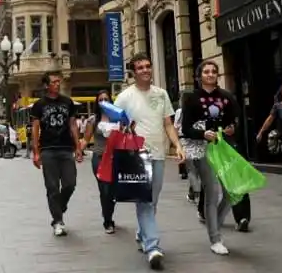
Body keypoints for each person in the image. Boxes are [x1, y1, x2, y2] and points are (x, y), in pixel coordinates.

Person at [114, 53, 184, 270]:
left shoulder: (161, 94)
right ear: (134, 72)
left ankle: (143, 231)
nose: (145, 70)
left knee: (152, 199)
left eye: (147, 66)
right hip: (136, 156)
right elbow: (113, 127)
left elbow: (168, 124)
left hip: (159, 154)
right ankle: (152, 247)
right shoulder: (124, 97)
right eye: (140, 67)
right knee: (143, 201)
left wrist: (178, 145)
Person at [181, 60, 243, 256]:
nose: (210, 74)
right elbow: (186, 128)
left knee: (232, 191)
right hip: (202, 149)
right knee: (212, 192)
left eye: (213, 71)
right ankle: (215, 238)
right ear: (200, 76)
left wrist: (232, 128)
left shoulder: (226, 97)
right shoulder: (191, 98)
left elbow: (234, 121)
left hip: (224, 147)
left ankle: (213, 221)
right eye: (206, 72)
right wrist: (202, 134)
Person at [30, 72, 83, 237]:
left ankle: (59, 206)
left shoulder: (67, 102)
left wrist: (78, 146)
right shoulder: (39, 105)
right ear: (46, 85)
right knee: (52, 187)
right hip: (48, 150)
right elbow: (35, 129)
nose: (57, 84)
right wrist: (36, 152)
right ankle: (58, 221)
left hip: (66, 148)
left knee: (70, 183)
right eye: (54, 82)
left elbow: (73, 124)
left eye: (58, 82)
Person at [83, 90, 117, 234]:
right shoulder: (93, 120)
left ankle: (109, 214)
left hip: (115, 158)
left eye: (106, 99)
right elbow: (85, 139)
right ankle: (107, 220)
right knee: (104, 190)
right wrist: (78, 151)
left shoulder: (118, 118)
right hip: (99, 158)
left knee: (113, 191)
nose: (104, 102)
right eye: (101, 99)